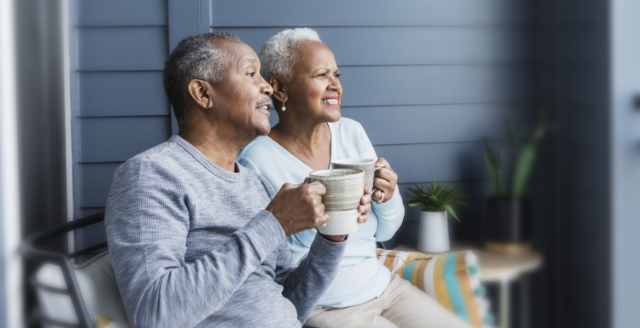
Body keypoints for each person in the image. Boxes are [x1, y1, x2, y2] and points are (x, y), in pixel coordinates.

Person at [105, 32, 363, 328]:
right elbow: (155, 313)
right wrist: (274, 223)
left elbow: (291, 301)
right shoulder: (150, 175)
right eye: (251, 73)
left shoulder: (257, 185)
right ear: (203, 93)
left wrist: (332, 237)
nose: (267, 86)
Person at [238, 28, 471, 328]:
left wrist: (386, 197)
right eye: (321, 75)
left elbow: (384, 232)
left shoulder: (351, 132)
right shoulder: (257, 161)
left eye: (337, 74)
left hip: (385, 289)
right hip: (325, 307)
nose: (336, 85)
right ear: (280, 88)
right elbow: (266, 271)